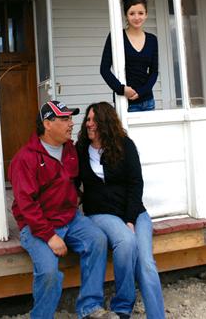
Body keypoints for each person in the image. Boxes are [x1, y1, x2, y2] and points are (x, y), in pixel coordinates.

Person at [9, 100, 117, 319]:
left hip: (70, 218)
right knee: (49, 273)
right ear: (47, 124)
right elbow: (26, 205)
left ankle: (90, 308)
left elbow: (74, 181)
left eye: (71, 117)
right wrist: (49, 236)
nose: (71, 123)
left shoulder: (70, 149)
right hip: (38, 225)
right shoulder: (25, 158)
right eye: (65, 118)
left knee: (97, 240)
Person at [76, 102, 165, 319]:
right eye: (87, 120)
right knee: (126, 242)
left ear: (105, 123)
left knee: (146, 263)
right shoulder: (79, 149)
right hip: (101, 213)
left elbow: (136, 183)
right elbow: (71, 182)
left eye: (94, 120)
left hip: (134, 212)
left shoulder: (125, 145)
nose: (89, 124)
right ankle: (123, 307)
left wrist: (130, 219)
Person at [100, 0, 158, 112]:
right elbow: (104, 69)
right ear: (126, 15)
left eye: (141, 13)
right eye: (132, 13)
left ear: (146, 14)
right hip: (125, 102)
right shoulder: (116, 37)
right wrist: (121, 89)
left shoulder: (152, 40)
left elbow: (154, 72)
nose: (137, 17)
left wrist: (141, 92)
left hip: (147, 102)